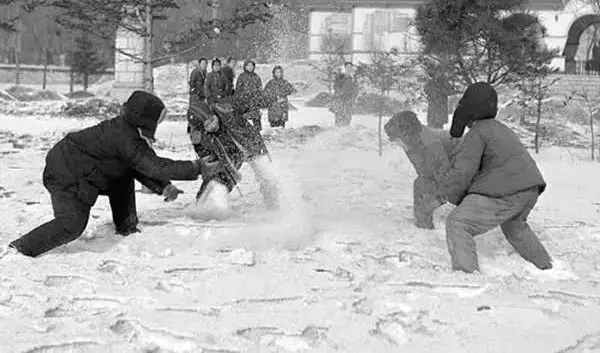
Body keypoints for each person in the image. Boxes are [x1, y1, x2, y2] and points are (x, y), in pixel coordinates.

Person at [1, 91, 210, 259]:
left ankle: (126, 226)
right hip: (67, 171)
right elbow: (154, 165)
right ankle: (20, 248)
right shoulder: (126, 138)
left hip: (82, 166)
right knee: (72, 225)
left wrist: (163, 186)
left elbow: (137, 164)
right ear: (145, 119)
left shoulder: (126, 131)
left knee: (121, 175)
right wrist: (196, 167)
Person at [438, 82, 553, 273]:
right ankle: (545, 266)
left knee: (458, 222)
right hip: (528, 189)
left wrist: (448, 195)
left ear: (468, 112)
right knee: (515, 227)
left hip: (505, 191)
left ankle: (466, 275)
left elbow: (463, 171)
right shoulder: (500, 128)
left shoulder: (477, 133)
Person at [187, 89, 280, 218]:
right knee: (219, 177)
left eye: (212, 119)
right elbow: (208, 165)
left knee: (266, 174)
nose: (214, 125)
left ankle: (275, 206)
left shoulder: (226, 107)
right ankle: (207, 204)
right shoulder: (201, 138)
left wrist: (270, 97)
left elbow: (249, 100)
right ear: (202, 128)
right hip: (230, 154)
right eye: (208, 125)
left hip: (251, 145)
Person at [384, 111, 460, 229]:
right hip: (448, 171)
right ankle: (422, 224)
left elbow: (446, 177)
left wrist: (438, 199)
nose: (396, 143)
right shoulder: (413, 143)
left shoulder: (430, 144)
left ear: (407, 134)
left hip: (465, 170)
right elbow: (424, 172)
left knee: (427, 199)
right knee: (420, 184)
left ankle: (425, 223)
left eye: (397, 138)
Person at [235, 59, 263, 131]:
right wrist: (240, 99)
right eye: (248, 65)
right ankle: (244, 132)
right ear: (245, 66)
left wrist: (258, 100)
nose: (250, 67)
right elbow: (238, 89)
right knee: (242, 118)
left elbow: (260, 90)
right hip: (244, 102)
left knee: (256, 119)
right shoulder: (241, 76)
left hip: (254, 102)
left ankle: (258, 133)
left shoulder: (256, 77)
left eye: (252, 65)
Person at [330, 62, 359, 127]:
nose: (349, 68)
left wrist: (355, 96)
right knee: (339, 112)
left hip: (349, 98)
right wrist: (340, 92)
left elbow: (356, 87)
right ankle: (338, 127)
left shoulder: (353, 77)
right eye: (347, 67)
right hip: (341, 97)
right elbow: (336, 86)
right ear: (345, 67)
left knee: (348, 113)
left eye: (350, 67)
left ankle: (346, 127)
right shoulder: (341, 75)